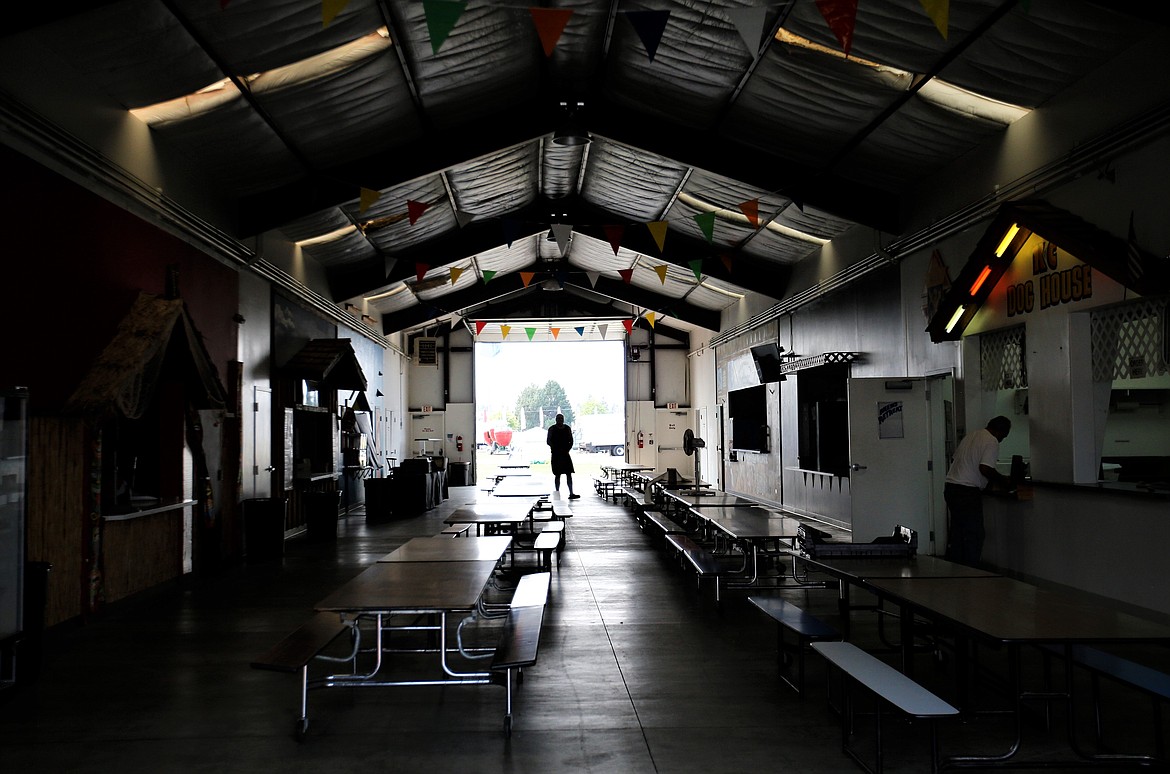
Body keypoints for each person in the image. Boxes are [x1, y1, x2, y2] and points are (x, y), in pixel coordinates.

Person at [944, 415, 1013, 565]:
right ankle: (972, 571)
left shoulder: (971, 435)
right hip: (967, 492)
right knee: (974, 535)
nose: (1002, 440)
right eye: (1004, 436)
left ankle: (955, 569)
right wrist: (1003, 480)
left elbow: (958, 460)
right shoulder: (991, 441)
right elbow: (985, 468)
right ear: (1000, 431)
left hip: (951, 488)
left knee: (958, 532)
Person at [546, 413, 579, 499]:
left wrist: (567, 449)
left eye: (561, 419)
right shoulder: (552, 429)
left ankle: (571, 493)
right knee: (557, 474)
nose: (560, 420)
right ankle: (557, 492)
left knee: (568, 473)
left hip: (565, 454)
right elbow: (548, 441)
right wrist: (556, 448)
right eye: (559, 419)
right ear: (556, 420)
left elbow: (571, 440)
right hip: (557, 455)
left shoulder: (567, 428)